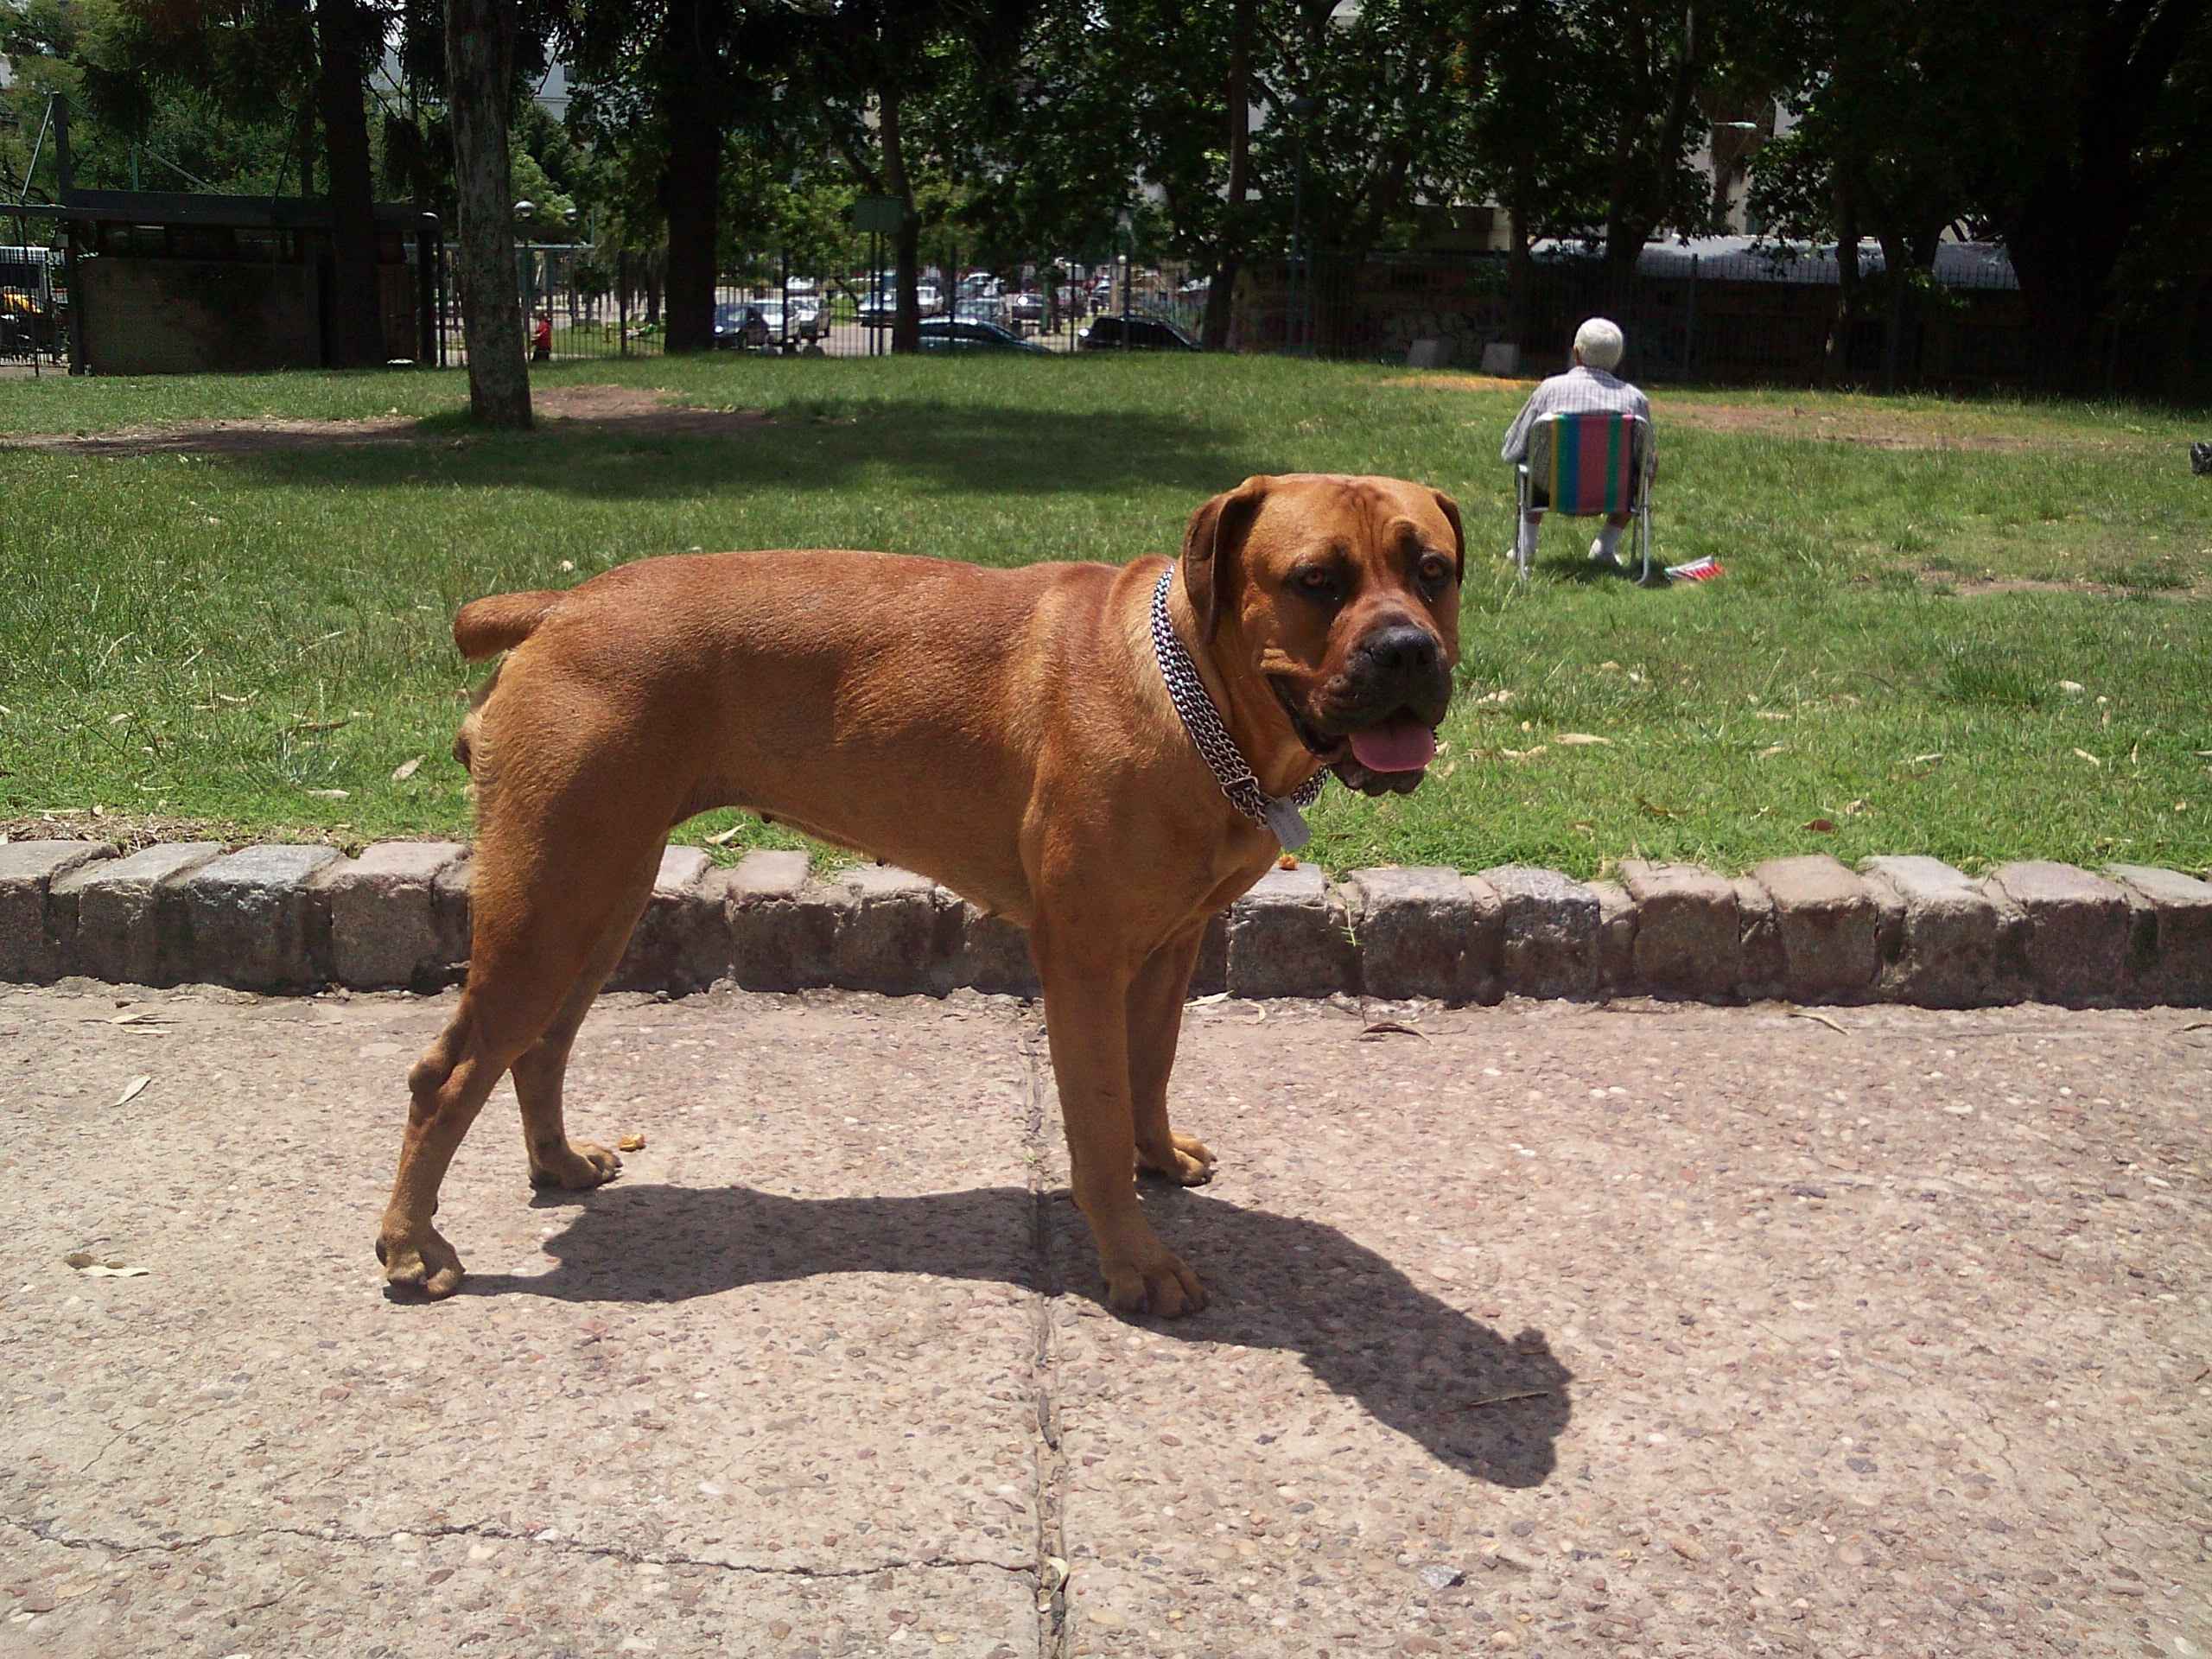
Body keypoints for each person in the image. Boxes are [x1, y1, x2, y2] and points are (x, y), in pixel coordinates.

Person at [1499, 316, 1651, 571]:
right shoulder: (1634, 399)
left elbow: (1513, 447)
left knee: (1531, 458)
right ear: (1618, 358)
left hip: (1552, 489)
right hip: (1614, 493)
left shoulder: (1549, 390)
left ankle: (1526, 547)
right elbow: (1644, 458)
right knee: (1647, 466)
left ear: (1576, 353)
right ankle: (1604, 547)